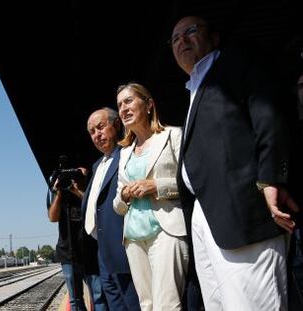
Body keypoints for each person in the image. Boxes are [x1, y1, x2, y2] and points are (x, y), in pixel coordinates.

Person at [170, 16, 300, 310]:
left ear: (214, 38)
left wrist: (271, 178)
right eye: (175, 38)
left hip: (242, 208)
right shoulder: (194, 90)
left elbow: (269, 113)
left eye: (191, 31)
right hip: (206, 213)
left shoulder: (235, 64)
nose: (182, 40)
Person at [113, 82, 189, 310]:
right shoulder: (124, 153)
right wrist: (124, 195)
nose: (123, 109)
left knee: (167, 305)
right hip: (134, 238)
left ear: (148, 105)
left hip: (166, 231)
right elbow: (118, 205)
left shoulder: (173, 135)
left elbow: (190, 182)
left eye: (128, 101)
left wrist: (156, 186)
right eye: (119, 105)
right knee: (147, 306)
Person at [82, 107, 140, 311]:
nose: (97, 135)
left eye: (100, 127)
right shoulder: (97, 165)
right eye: (92, 132)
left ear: (116, 126)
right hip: (102, 251)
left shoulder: (127, 153)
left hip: (123, 246)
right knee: (115, 304)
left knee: (132, 302)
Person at [47, 159, 107, 311]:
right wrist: (59, 193)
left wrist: (77, 190)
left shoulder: (89, 189)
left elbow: (95, 208)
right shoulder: (58, 193)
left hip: (90, 252)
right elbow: (52, 218)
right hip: (68, 253)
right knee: (75, 299)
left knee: (99, 296)